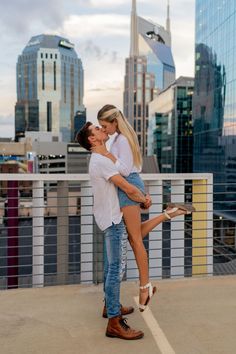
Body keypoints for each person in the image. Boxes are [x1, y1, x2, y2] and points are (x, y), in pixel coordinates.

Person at [92, 104, 195, 311]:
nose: (104, 130)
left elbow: (125, 169)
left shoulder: (122, 140)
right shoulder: (118, 139)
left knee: (136, 241)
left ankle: (144, 288)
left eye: (105, 126)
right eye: (100, 127)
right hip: (128, 186)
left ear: (115, 122)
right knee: (134, 236)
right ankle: (169, 214)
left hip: (128, 185)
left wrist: (108, 155)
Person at [75, 122, 150, 340]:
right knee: (116, 269)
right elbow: (126, 187)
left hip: (107, 217)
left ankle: (111, 307)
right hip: (113, 220)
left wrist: (140, 198)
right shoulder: (101, 161)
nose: (102, 130)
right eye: (97, 129)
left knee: (110, 267)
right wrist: (144, 200)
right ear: (92, 139)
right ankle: (114, 323)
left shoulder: (100, 159)